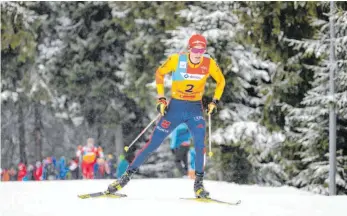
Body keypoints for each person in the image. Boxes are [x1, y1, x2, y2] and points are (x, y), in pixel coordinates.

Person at [107, 34, 225, 198]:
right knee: (152, 144)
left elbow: (221, 81)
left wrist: (214, 102)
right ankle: (124, 179)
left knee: (199, 145)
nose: (199, 53)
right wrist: (161, 98)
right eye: (196, 49)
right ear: (190, 49)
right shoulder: (177, 60)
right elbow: (159, 74)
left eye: (202, 49)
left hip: (194, 110)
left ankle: (199, 185)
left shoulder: (208, 63)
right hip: (175, 108)